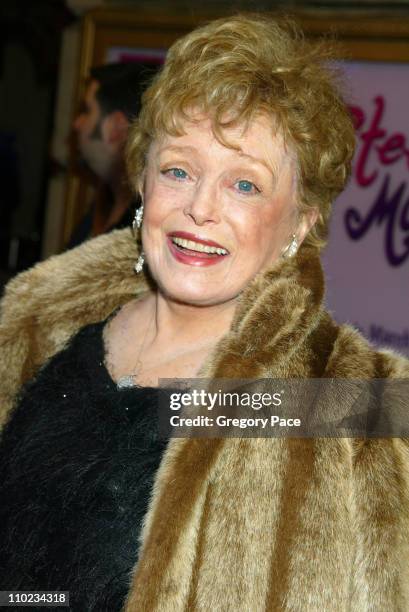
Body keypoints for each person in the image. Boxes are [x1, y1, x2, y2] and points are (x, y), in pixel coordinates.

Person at [0, 14, 408, 612]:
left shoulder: (355, 404)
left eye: (245, 185)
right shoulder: (33, 321)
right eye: (178, 171)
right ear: (142, 181)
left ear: (300, 222)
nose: (199, 208)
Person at [68, 62, 158, 247]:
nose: (77, 124)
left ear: (116, 127)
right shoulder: (102, 206)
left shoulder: (145, 231)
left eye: (86, 111)